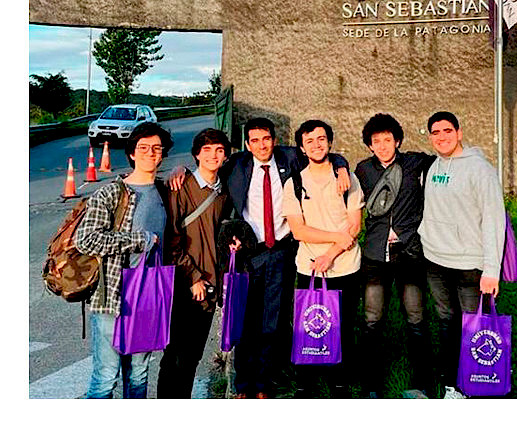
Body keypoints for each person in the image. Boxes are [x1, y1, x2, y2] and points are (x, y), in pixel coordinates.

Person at [168, 117, 350, 398]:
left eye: (266, 139)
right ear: (246, 144)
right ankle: (243, 384)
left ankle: (264, 385)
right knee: (245, 318)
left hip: (280, 251)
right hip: (247, 255)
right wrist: (180, 168)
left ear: (274, 140)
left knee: (272, 321)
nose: (261, 145)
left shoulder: (290, 158)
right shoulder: (236, 165)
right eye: (255, 140)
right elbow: (206, 168)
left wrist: (341, 167)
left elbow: (324, 152)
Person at [75, 121, 173, 399]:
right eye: (143, 148)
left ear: (163, 153)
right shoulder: (111, 193)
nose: (150, 153)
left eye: (157, 148)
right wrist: (138, 240)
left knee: (139, 374)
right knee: (106, 376)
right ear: (132, 153)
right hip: (112, 295)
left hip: (150, 295)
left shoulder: (165, 192)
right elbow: (87, 240)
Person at [417, 111, 505, 398]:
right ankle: (451, 385)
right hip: (435, 260)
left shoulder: (480, 170)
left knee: (474, 328)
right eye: (435, 133)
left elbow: (494, 219)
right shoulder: (433, 167)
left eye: (447, 131)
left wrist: (491, 270)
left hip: (469, 264)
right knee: (446, 323)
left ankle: (476, 387)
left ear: (459, 133)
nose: (441, 137)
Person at [354, 113, 435, 398]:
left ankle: (424, 383)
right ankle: (370, 386)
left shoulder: (414, 162)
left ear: (397, 140)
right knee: (372, 319)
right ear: (370, 145)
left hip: (410, 251)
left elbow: (447, 158)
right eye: (376, 141)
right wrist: (340, 167)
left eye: (388, 140)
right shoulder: (362, 170)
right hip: (376, 254)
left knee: (415, 317)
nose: (383, 146)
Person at [282, 119, 364, 398]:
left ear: (329, 142)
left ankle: (339, 384)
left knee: (342, 326)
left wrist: (330, 253)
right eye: (309, 141)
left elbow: (354, 224)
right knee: (309, 326)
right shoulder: (294, 183)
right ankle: (305, 384)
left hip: (346, 265)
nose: (316, 145)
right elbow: (298, 229)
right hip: (309, 267)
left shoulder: (347, 178)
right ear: (302, 149)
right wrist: (334, 238)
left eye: (321, 139)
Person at [157, 128, 231, 398]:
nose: (213, 155)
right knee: (175, 354)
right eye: (207, 150)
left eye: (219, 150)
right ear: (196, 155)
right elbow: (172, 238)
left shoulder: (223, 190)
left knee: (192, 357)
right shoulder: (181, 186)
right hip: (184, 283)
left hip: (210, 286)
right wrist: (193, 277)